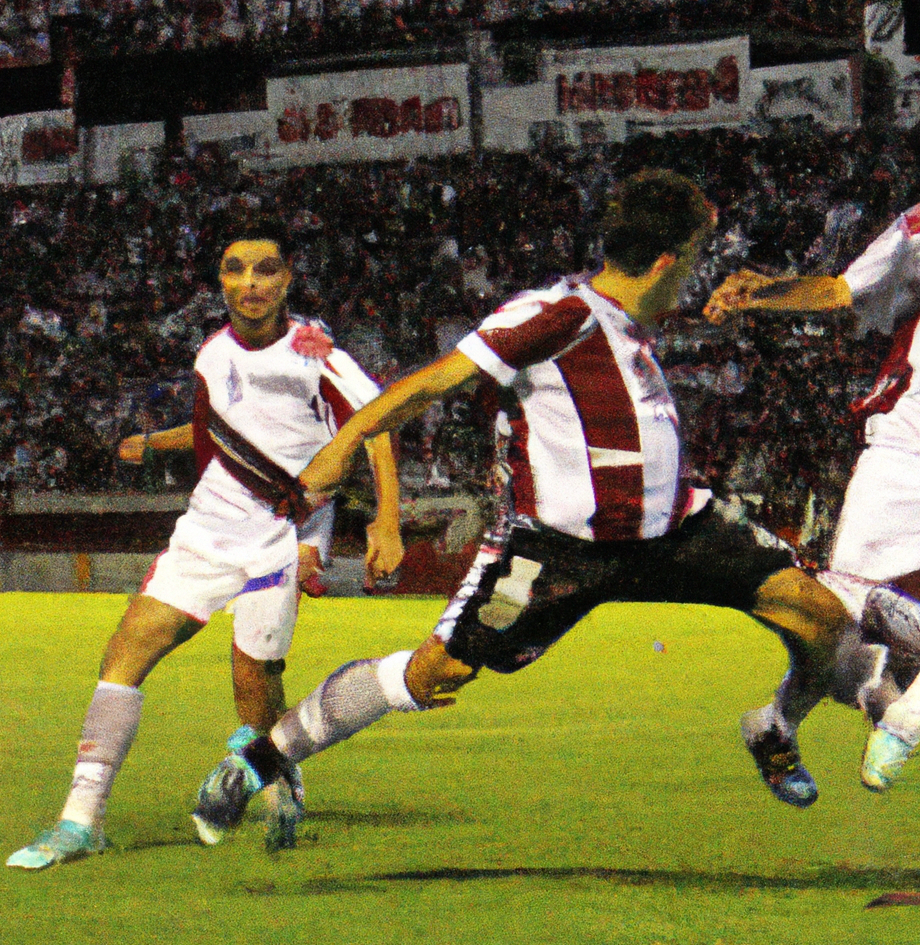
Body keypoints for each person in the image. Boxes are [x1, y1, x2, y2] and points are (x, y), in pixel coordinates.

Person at [188, 168, 859, 843]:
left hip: (676, 531)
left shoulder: (628, 314)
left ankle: (774, 727)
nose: (694, 275)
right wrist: (345, 445)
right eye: (690, 259)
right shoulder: (556, 316)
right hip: (552, 556)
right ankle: (257, 762)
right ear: (663, 261)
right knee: (433, 673)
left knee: (822, 618)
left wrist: (756, 294)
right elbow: (436, 381)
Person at [7, 225, 404, 870]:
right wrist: (152, 443)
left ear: (287, 278)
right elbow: (209, 431)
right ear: (221, 279)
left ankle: (276, 783)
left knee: (254, 678)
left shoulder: (317, 351)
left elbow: (377, 425)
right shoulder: (211, 355)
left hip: (278, 535)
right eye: (236, 269)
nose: (251, 283)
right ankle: (80, 820)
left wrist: (386, 520)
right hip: (205, 531)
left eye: (266, 270)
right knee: (126, 651)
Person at [703, 123, 920, 792]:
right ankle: (776, 722)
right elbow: (842, 291)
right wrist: (763, 291)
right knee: (843, 638)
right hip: (910, 445)